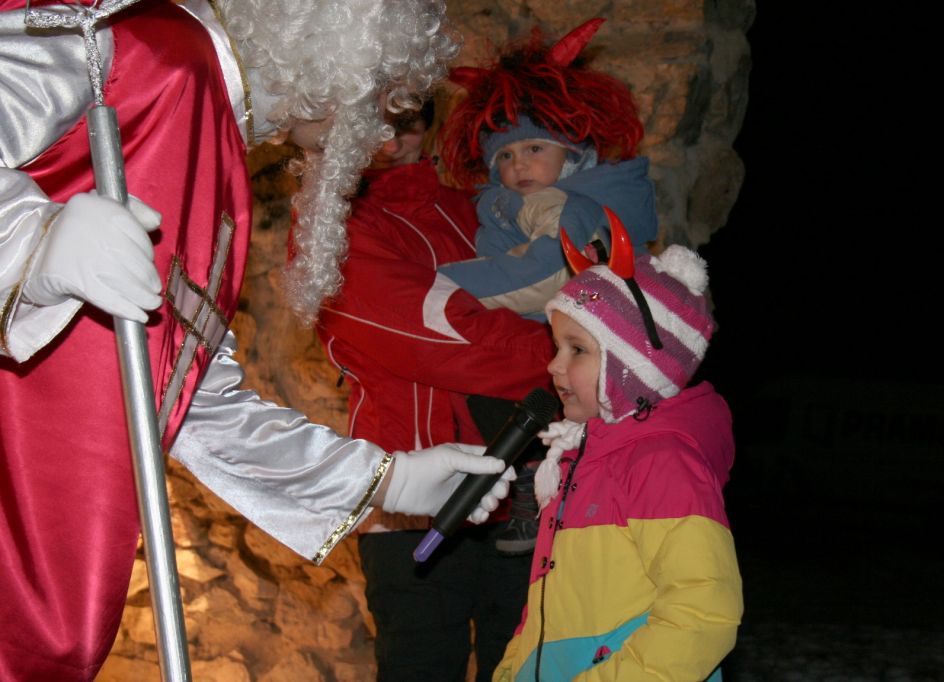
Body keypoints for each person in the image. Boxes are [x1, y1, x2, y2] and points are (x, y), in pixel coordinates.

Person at [0, 1, 508, 679]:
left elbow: (188, 396)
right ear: (337, 59)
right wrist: (30, 241)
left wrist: (386, 480)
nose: (381, 133)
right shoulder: (143, 48)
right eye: (381, 97)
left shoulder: (215, 155)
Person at [305, 99, 554, 681]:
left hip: (520, 496)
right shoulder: (332, 230)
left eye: (407, 123)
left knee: (523, 668)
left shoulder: (479, 209)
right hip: (411, 502)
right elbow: (439, 338)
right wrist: (571, 355)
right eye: (374, 125)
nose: (391, 143)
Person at [432, 17, 661, 555]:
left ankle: (536, 482)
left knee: (510, 400)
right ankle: (541, 485)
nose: (519, 166)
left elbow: (547, 269)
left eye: (535, 149)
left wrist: (442, 285)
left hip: (558, 333)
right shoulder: (526, 201)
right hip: (556, 333)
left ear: (574, 154)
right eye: (506, 156)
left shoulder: (564, 203)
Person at [493, 215, 744, 681]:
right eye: (556, 346)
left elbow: (702, 612)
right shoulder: (577, 460)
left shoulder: (662, 463)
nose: (553, 365)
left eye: (576, 349)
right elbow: (548, 605)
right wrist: (512, 669)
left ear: (632, 367)